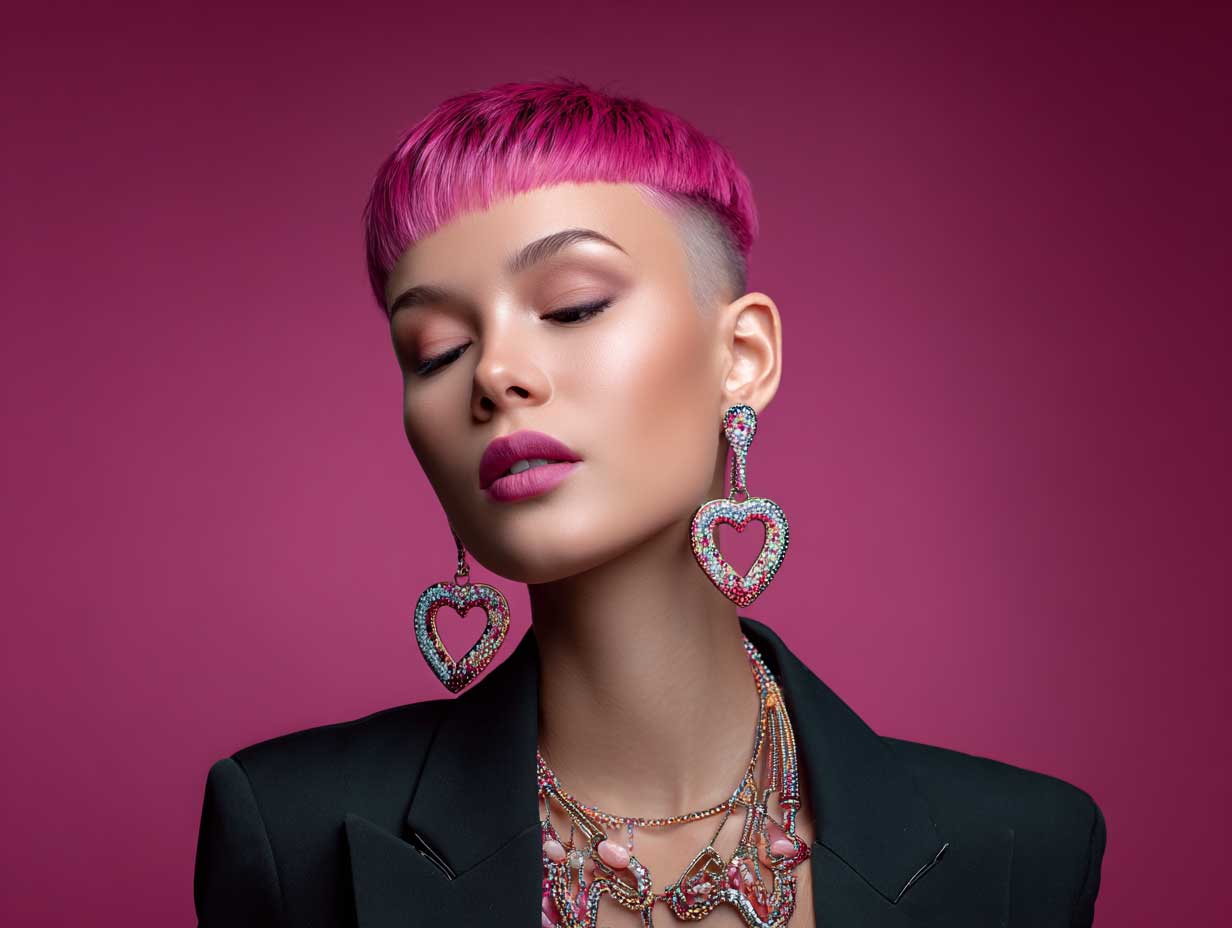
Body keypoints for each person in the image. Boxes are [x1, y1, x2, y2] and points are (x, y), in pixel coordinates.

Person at [193, 79, 1106, 928]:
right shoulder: (291, 835)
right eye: (434, 351)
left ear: (741, 356)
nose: (497, 374)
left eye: (575, 306)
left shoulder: (1021, 854)